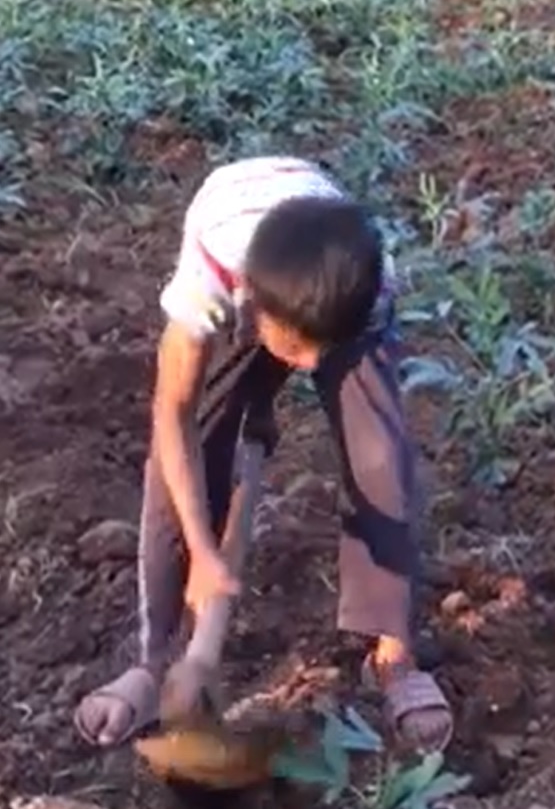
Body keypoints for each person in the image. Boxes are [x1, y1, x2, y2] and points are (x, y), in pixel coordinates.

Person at [72, 156, 452, 749]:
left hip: (327, 276)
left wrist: (321, 343)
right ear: (254, 310)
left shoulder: (368, 284)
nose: (308, 366)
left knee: (380, 454)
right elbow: (172, 418)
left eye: (320, 350)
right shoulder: (211, 283)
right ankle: (151, 661)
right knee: (204, 435)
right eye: (295, 348)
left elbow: (330, 351)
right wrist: (202, 549)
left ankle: (394, 656)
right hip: (240, 240)